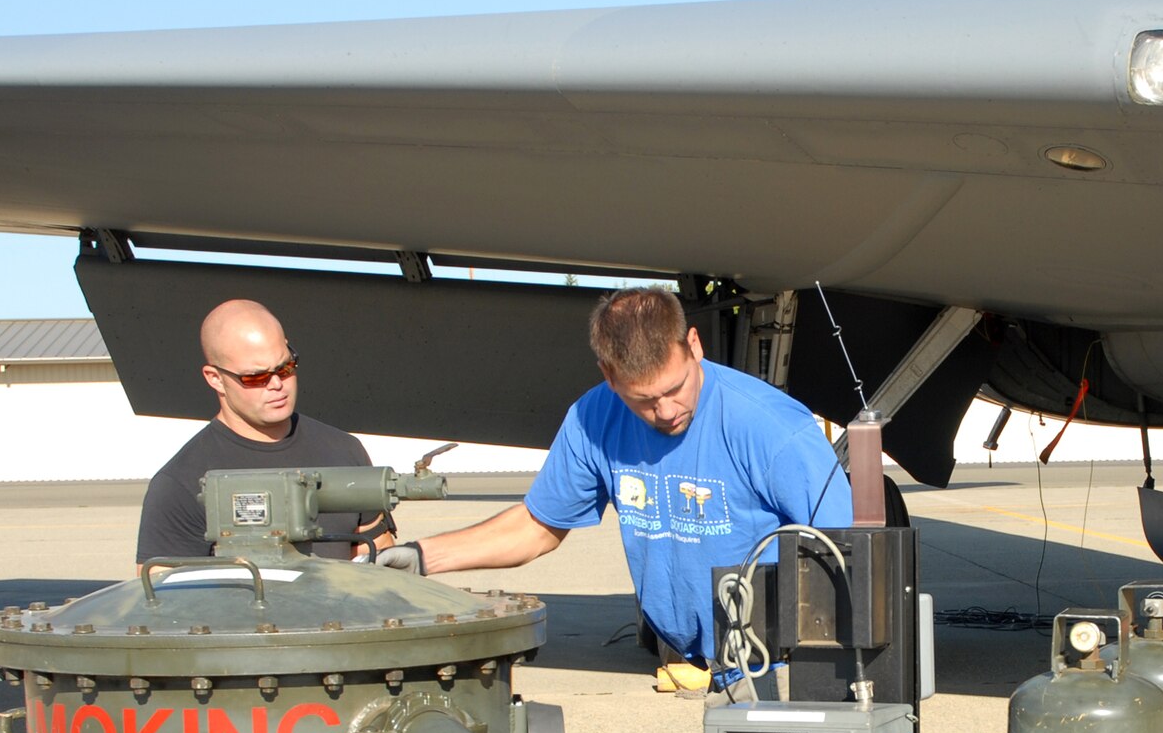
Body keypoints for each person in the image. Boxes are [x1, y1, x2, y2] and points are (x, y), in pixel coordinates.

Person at [385, 287, 853, 689]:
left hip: (780, 667)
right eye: (644, 400)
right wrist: (422, 557)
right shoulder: (593, 420)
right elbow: (537, 527)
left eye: (676, 388)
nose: (667, 410)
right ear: (609, 376)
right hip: (689, 662)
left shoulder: (770, 427)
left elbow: (847, 549)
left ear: (694, 345)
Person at [136, 299, 391, 564]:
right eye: (255, 377)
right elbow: (164, 591)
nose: (277, 384)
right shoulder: (181, 482)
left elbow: (375, 555)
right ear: (215, 378)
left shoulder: (345, 451)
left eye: (285, 367)